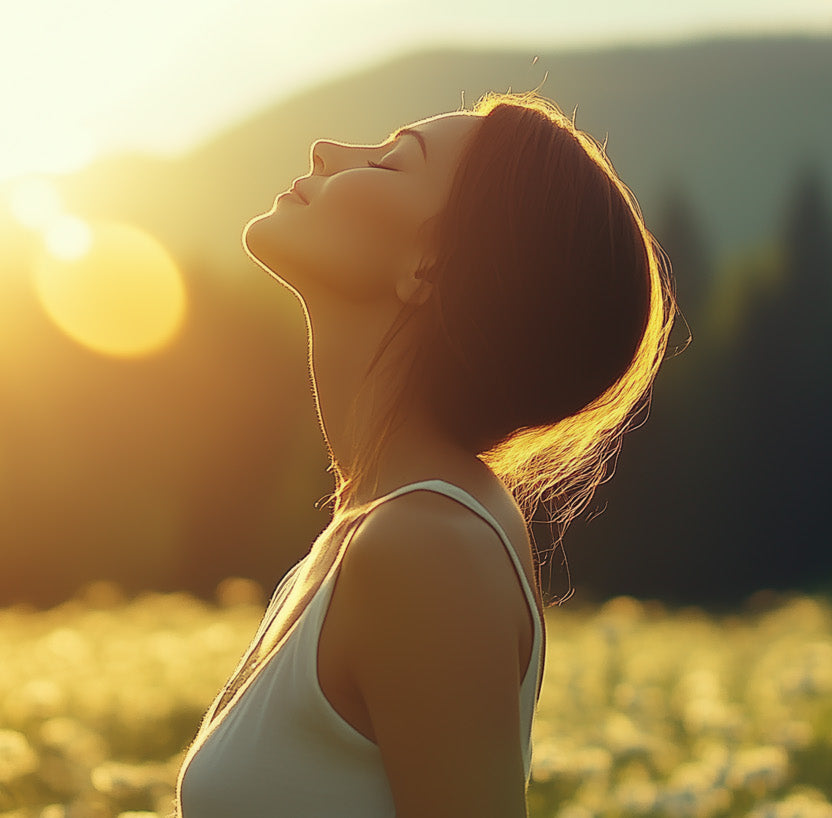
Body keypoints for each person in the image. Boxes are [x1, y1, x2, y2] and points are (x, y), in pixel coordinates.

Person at [174, 90, 686, 817]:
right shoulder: (371, 536)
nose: (325, 150)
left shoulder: (425, 546)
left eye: (388, 163)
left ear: (428, 268)